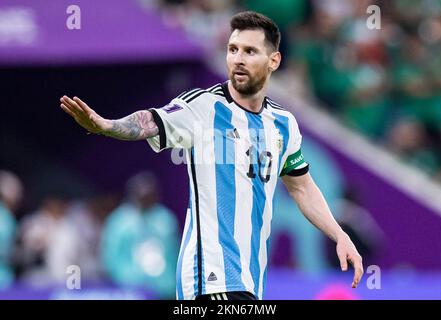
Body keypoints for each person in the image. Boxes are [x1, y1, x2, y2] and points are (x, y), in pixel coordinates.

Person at [59, 11, 363, 300]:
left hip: (250, 279)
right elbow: (150, 122)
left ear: (274, 60)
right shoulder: (203, 107)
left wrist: (339, 234)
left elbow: (301, 186)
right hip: (209, 275)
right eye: (233, 50)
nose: (238, 59)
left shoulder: (283, 124)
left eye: (249, 51)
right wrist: (106, 125)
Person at [101, 171, 179, 299]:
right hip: (130, 291)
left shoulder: (165, 219)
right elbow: (110, 257)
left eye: (149, 194)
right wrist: (126, 281)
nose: (145, 198)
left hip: (164, 289)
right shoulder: (119, 221)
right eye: (141, 194)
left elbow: (174, 253)